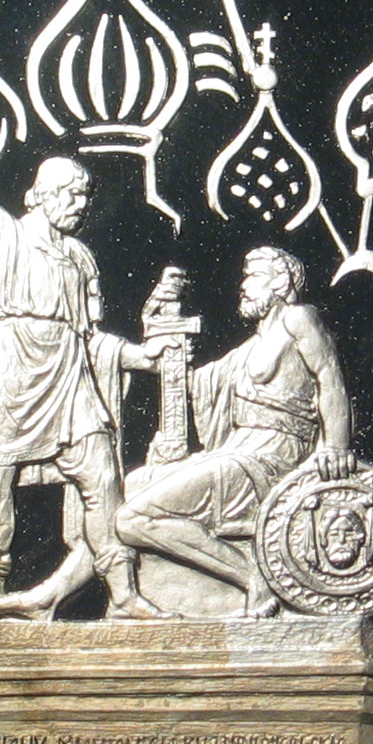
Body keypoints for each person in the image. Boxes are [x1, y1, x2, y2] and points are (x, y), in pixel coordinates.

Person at [0, 82, 170, 617]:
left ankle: (124, 594)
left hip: (68, 374)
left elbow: (88, 334)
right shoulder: (2, 235)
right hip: (12, 369)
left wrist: (140, 357)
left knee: (102, 476)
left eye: (85, 196)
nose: (81, 206)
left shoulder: (80, 257)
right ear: (41, 194)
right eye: (72, 195)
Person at [117, 247, 354, 615]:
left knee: (131, 519)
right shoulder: (251, 346)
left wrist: (336, 447)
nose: (243, 286)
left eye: (253, 276)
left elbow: (329, 378)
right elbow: (193, 382)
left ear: (281, 282)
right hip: (238, 450)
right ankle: (127, 598)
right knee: (132, 484)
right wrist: (160, 331)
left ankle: (255, 578)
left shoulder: (298, 318)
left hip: (271, 457)